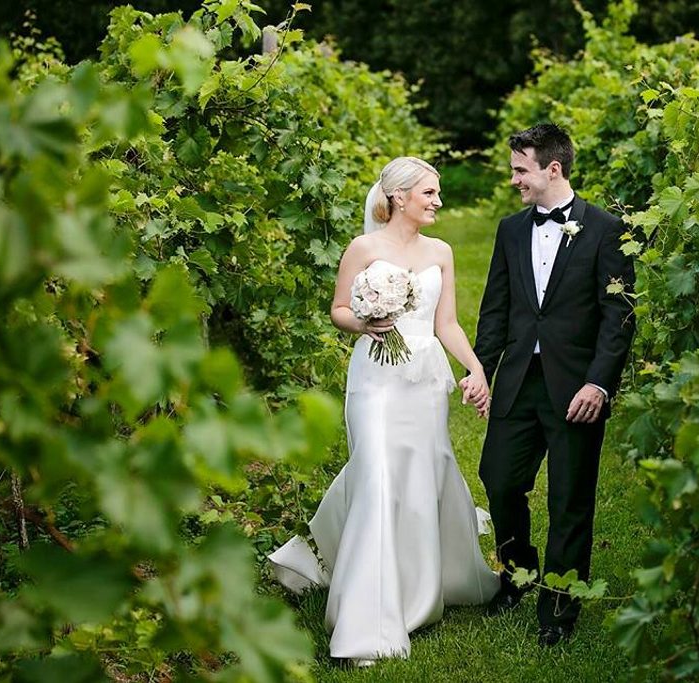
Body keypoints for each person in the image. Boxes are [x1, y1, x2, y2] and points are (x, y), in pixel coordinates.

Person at [268, 156, 499, 665]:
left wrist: (476, 370)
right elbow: (339, 309)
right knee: (375, 478)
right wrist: (365, 322)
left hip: (422, 382)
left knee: (418, 476)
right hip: (375, 378)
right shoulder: (364, 248)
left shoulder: (442, 251)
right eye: (430, 194)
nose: (439, 202)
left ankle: (417, 588)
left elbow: (448, 324)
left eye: (438, 193)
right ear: (399, 197)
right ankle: (366, 626)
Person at [473, 123, 635, 646]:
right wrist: (481, 368)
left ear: (553, 169)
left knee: (570, 498)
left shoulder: (607, 230)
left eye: (521, 169)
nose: (514, 179)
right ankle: (518, 573)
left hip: (577, 389)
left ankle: (560, 606)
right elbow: (496, 309)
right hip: (520, 380)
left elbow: (619, 317)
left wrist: (599, 385)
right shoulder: (510, 229)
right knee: (498, 479)